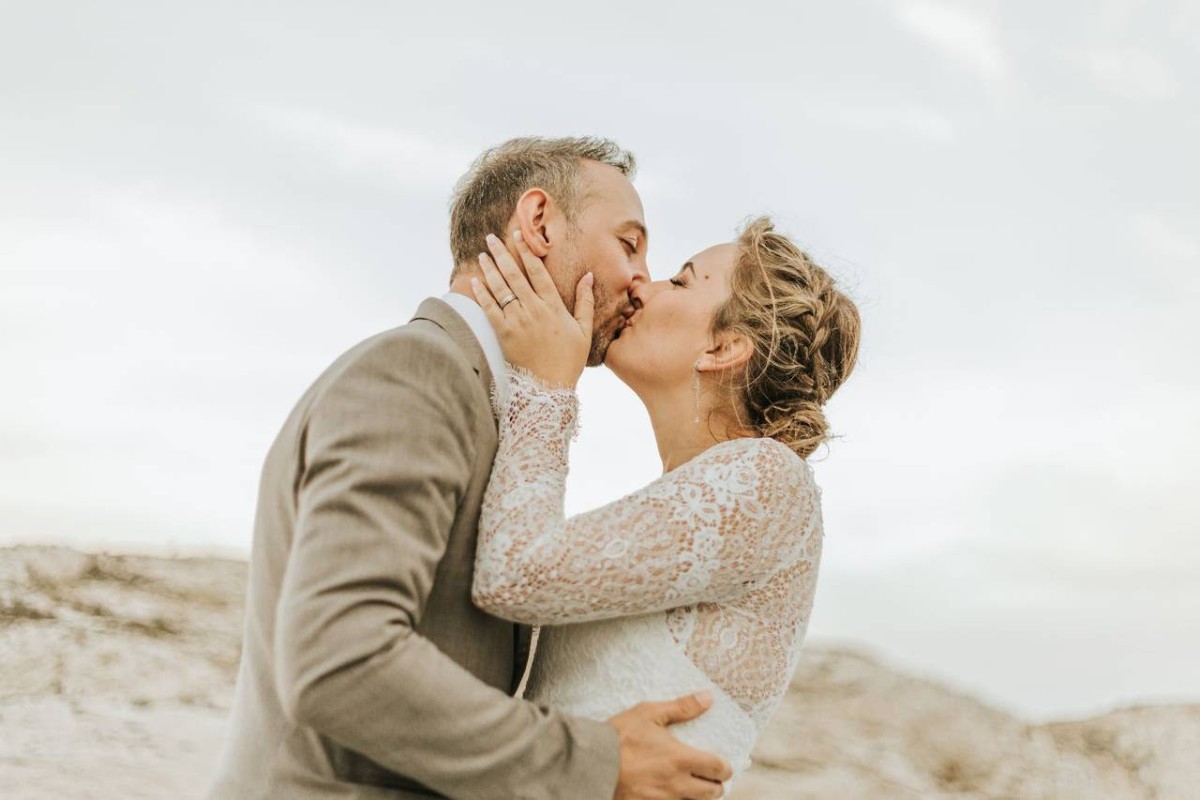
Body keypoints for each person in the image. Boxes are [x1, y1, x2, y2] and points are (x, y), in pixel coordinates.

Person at [208, 137, 732, 800]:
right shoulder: (415, 372)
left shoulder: (484, 402)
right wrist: (595, 762)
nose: (642, 280)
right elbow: (339, 657)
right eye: (629, 244)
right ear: (539, 222)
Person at [469, 215, 860, 788]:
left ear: (724, 348)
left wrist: (547, 386)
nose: (642, 287)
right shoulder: (699, 496)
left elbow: (513, 571)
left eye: (681, 282)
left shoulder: (768, 482)